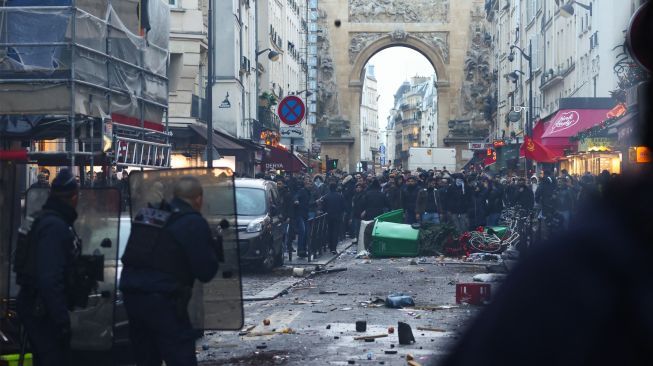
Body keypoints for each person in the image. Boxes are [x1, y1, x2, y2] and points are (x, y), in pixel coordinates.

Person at [120, 176, 220, 366]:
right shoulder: (192, 222)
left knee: (146, 357)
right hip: (165, 301)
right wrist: (213, 250)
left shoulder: (148, 215)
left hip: (133, 298)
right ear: (198, 199)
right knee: (181, 357)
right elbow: (205, 272)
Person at [15, 169, 81, 366]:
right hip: (42, 310)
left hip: (33, 303)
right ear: (73, 197)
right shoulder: (55, 227)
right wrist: (61, 320)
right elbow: (49, 279)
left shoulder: (39, 218)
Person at [321, 182, 346, 254]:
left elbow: (323, 207)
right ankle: (333, 248)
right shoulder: (340, 196)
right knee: (335, 232)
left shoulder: (326, 196)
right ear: (336, 188)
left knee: (329, 231)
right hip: (337, 216)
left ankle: (330, 245)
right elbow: (343, 207)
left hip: (328, 216)